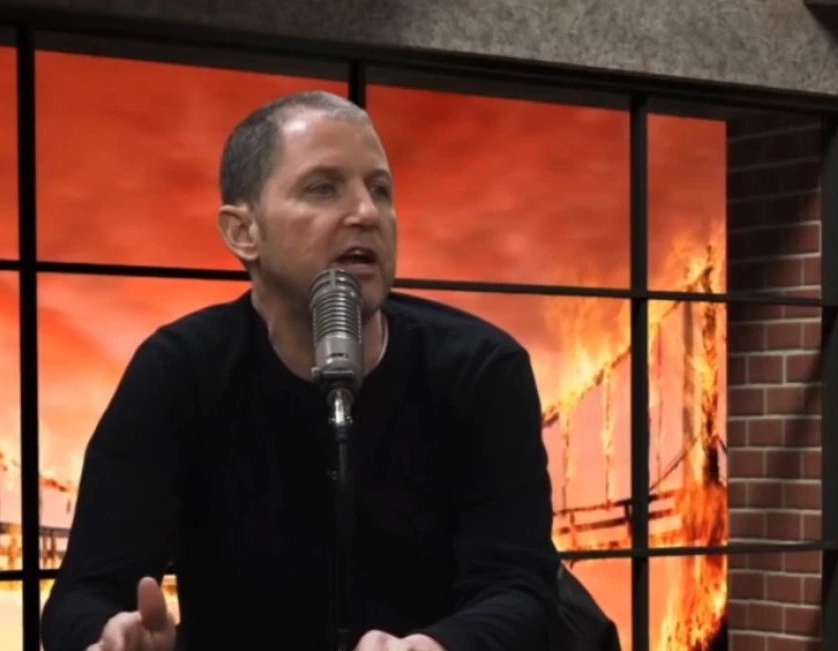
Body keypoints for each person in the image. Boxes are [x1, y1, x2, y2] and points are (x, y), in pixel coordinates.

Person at [40, 90, 561, 651]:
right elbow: (82, 594)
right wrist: (110, 637)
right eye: (323, 188)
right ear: (244, 232)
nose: (366, 213)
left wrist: (438, 647)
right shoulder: (179, 372)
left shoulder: (482, 370)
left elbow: (521, 590)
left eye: (380, 190)